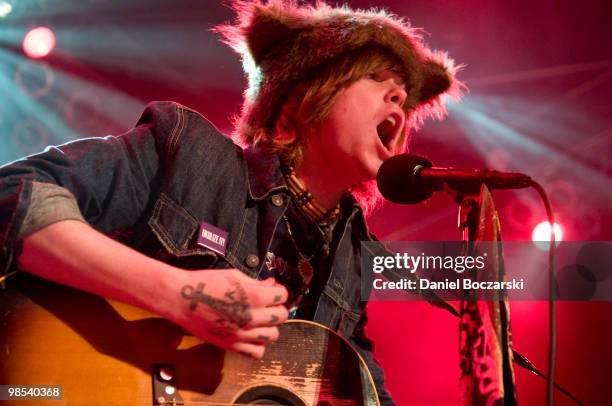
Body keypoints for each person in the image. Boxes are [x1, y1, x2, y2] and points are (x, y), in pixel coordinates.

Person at [0, 1, 459, 404]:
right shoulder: (186, 153)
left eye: (404, 92)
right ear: (298, 96)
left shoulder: (353, 257)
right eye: (375, 77)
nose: (399, 95)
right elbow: (14, 192)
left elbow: (358, 387)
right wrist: (177, 296)